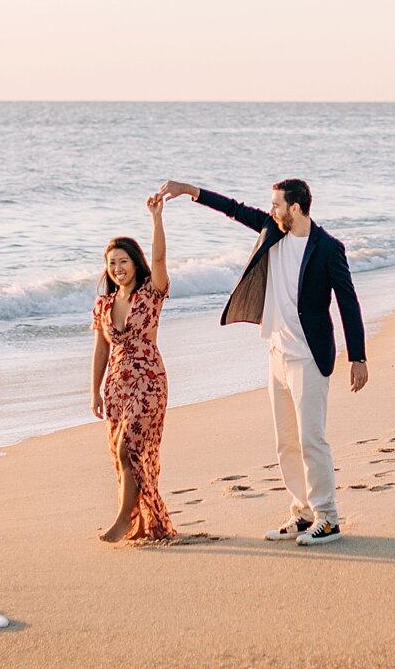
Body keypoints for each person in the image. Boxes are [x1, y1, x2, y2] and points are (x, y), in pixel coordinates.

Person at [157, 177, 367, 546]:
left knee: (311, 439)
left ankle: (328, 517)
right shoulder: (274, 230)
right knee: (285, 441)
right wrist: (190, 191)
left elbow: (348, 303)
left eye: (276, 205)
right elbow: (234, 209)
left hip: (309, 357)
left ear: (296, 209)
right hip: (276, 354)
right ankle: (302, 513)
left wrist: (358, 356)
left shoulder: (328, 249)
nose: (271, 210)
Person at [90, 193, 175, 543]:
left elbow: (159, 256)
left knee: (131, 447)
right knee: (125, 455)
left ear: (135, 263)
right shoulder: (105, 304)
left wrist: (156, 217)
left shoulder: (151, 293)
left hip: (149, 381)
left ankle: (124, 518)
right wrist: (94, 390)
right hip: (117, 386)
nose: (117, 268)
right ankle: (143, 522)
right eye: (112, 263)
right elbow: (100, 349)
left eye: (123, 261)